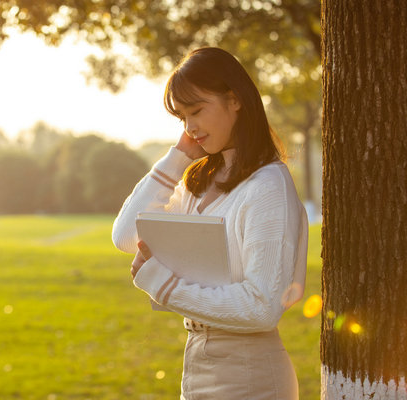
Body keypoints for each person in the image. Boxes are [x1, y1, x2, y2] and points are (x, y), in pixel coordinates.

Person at [111, 47, 308, 400]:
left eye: (197, 110)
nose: (190, 127)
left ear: (234, 100)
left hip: (252, 377)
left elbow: (262, 308)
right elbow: (126, 235)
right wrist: (179, 156)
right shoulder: (197, 182)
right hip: (198, 364)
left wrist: (165, 286)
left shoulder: (268, 186)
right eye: (182, 118)